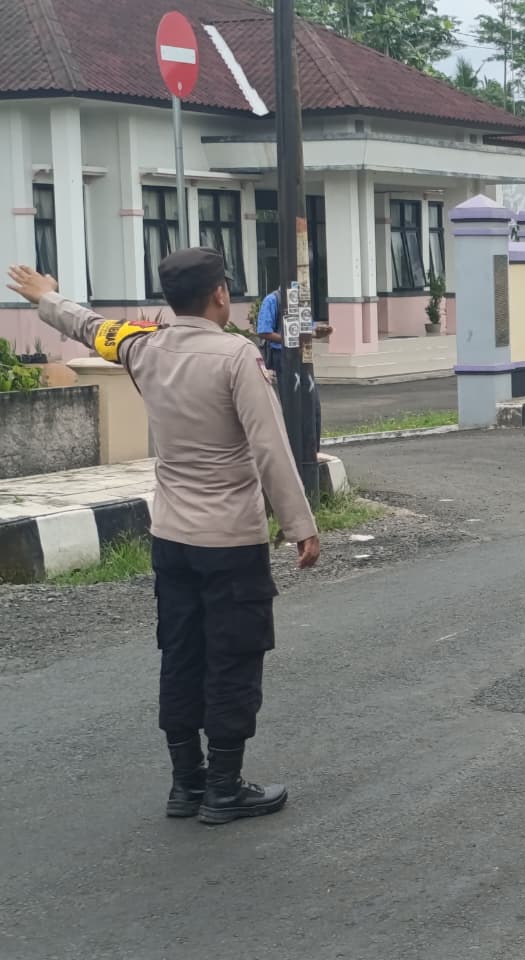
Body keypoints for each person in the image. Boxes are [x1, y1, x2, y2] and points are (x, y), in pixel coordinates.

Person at [6, 251, 321, 826]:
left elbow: (87, 325)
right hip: (230, 540)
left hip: (171, 537)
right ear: (220, 294)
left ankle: (186, 785)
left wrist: (44, 297)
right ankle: (224, 789)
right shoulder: (237, 356)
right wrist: (301, 525)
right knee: (233, 658)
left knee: (180, 654)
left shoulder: (142, 345)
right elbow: (271, 446)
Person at [256, 288, 331, 454]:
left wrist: (316, 332)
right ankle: (293, 451)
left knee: (312, 405)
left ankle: (311, 451)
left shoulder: (301, 301)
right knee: (292, 403)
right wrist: (290, 338)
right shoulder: (272, 300)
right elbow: (263, 330)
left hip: (301, 355)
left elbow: (306, 328)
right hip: (282, 355)